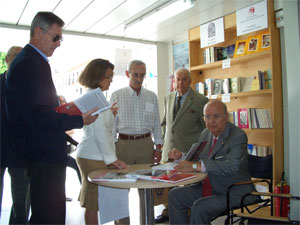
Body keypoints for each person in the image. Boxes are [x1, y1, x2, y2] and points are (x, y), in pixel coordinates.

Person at [5, 12, 98, 225]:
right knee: (48, 217)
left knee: (49, 215)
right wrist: (79, 119)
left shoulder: (35, 61)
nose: (58, 44)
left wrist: (69, 110)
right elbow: (37, 116)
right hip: (42, 154)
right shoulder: (29, 63)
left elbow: (42, 110)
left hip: (44, 153)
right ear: (38, 32)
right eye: (56, 37)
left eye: (61, 39)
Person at [168, 100, 256, 225]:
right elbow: (197, 158)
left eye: (216, 116)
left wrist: (196, 166)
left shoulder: (237, 136)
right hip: (209, 187)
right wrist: (181, 156)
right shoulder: (205, 133)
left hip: (232, 190)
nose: (211, 121)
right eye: (207, 117)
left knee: (199, 207)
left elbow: (232, 166)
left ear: (226, 116)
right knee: (175, 195)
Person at [110, 59, 164, 224]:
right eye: (135, 74)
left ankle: (146, 222)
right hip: (123, 146)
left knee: (146, 190)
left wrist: (158, 148)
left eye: (142, 75)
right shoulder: (117, 95)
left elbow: (156, 123)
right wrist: (112, 152)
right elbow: (112, 126)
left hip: (146, 144)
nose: (139, 78)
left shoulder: (151, 96)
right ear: (127, 74)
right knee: (121, 191)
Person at [76, 59, 128, 225]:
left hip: (93, 154)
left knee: (94, 200)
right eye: (107, 76)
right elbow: (100, 133)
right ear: (97, 77)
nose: (111, 80)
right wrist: (112, 160)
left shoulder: (97, 97)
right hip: (92, 156)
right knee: (93, 201)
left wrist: (109, 115)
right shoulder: (94, 98)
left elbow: (101, 126)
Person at [156, 68, 208, 223]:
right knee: (168, 182)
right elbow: (166, 123)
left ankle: (189, 210)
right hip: (169, 150)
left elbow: (205, 129)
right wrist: (163, 144)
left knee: (188, 184)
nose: (180, 83)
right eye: (177, 79)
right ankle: (168, 211)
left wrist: (199, 151)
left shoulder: (200, 100)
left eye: (184, 79)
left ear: (190, 81)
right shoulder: (168, 98)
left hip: (187, 151)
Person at [0, 46, 30, 224]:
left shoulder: (31, 88)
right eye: (15, 56)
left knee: (21, 202)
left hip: (20, 153)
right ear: (6, 60)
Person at [58, 95, 82, 185]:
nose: (62, 103)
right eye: (60, 101)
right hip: (57, 153)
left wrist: (76, 144)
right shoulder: (56, 116)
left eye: (63, 101)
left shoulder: (64, 115)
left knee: (66, 170)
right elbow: (65, 134)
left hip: (63, 152)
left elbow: (66, 134)